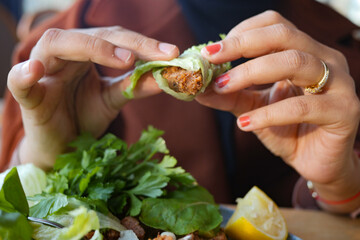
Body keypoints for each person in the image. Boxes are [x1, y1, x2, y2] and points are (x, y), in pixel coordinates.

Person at [1, 0, 360, 217]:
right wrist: (43, 158)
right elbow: (10, 212)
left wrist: (339, 186)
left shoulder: (345, 52)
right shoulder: (63, 43)